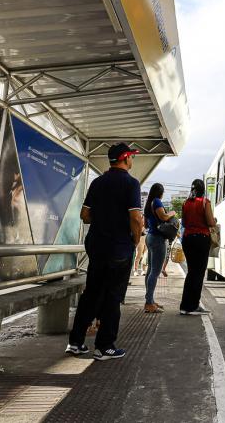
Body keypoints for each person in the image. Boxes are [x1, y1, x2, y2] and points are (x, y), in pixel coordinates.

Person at [65, 143, 143, 360]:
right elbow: (136, 218)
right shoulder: (131, 183)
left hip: (97, 246)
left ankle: (76, 342)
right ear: (125, 158)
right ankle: (105, 346)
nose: (132, 161)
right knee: (112, 296)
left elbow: (84, 215)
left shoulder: (97, 182)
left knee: (91, 293)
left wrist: (103, 219)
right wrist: (135, 240)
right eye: (132, 157)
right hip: (119, 247)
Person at [179, 178, 217, 316]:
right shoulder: (205, 203)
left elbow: (183, 222)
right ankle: (193, 305)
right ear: (203, 190)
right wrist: (213, 221)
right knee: (199, 273)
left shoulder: (185, 203)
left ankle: (185, 305)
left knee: (191, 272)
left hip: (188, 239)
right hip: (201, 239)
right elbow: (211, 222)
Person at [142, 183, 176, 313]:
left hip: (150, 237)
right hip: (157, 239)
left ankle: (149, 300)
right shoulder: (156, 201)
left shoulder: (148, 203)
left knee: (151, 270)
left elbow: (145, 224)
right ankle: (149, 303)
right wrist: (172, 213)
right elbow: (164, 217)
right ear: (160, 193)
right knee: (155, 272)